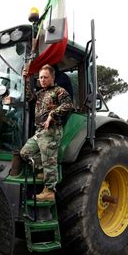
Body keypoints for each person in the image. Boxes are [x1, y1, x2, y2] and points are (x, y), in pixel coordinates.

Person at [20, 64, 74, 201]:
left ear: (52, 77)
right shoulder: (40, 93)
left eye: (45, 77)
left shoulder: (59, 91)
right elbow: (30, 98)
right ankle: (46, 170)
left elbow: (68, 105)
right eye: (41, 77)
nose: (43, 80)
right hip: (39, 131)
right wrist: (26, 79)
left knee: (49, 159)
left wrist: (53, 114)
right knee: (25, 153)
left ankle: (49, 191)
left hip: (51, 131)